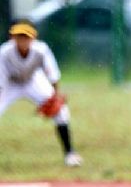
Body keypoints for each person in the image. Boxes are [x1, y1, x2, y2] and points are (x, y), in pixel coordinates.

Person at [0, 19, 82, 167]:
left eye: (26, 37)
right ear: (12, 37)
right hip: (11, 83)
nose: (22, 40)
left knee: (61, 112)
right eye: (19, 36)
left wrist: (55, 96)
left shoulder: (41, 50)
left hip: (33, 81)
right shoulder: (4, 52)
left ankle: (70, 154)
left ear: (33, 38)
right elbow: (1, 81)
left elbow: (53, 75)